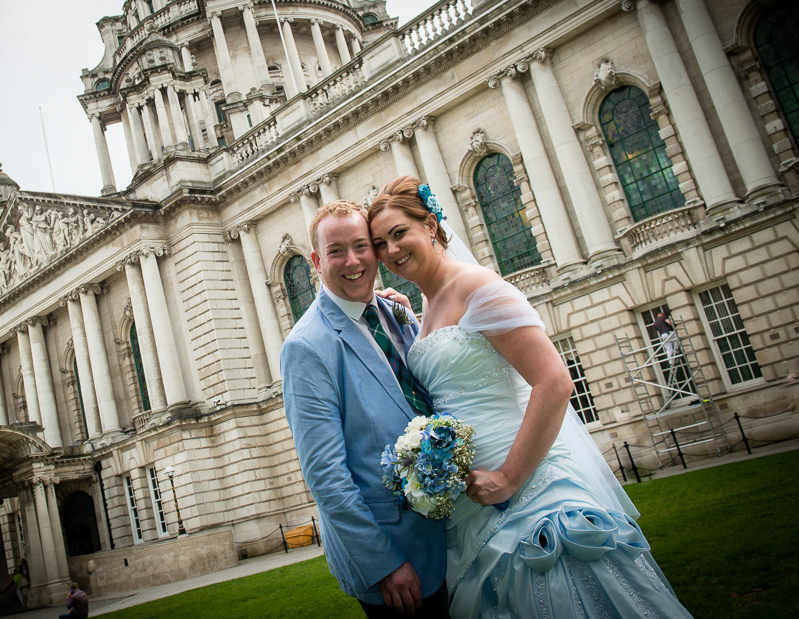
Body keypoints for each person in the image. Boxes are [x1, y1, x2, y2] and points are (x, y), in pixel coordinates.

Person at [368, 176, 692, 618]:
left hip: (529, 488)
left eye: (399, 233)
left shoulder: (479, 286)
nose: (390, 251)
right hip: (474, 504)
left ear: (430, 224)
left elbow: (555, 382)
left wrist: (510, 478)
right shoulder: (426, 309)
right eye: (380, 243)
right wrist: (403, 315)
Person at [282, 199, 449, 618]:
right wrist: (383, 564)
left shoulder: (395, 310)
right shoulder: (305, 347)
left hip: (451, 533)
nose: (352, 261)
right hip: (396, 559)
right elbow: (325, 475)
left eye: (361, 246)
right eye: (336, 251)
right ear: (317, 262)